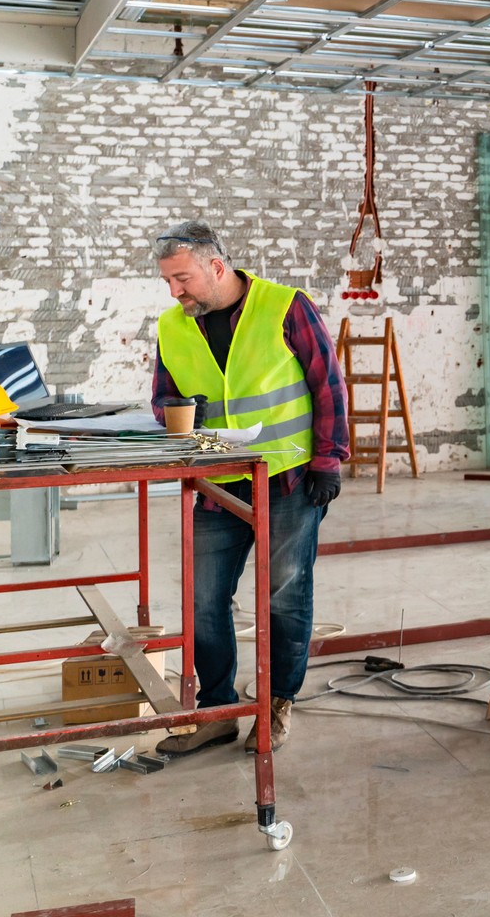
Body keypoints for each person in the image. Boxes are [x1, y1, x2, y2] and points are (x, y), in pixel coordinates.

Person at [149, 222, 348, 755]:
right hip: (215, 484)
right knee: (203, 599)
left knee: (284, 596)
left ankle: (275, 704)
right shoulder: (173, 325)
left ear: (218, 267)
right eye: (168, 281)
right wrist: (177, 425)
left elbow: (327, 383)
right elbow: (164, 397)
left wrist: (330, 459)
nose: (175, 292)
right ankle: (216, 711)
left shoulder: (286, 307)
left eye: (183, 279)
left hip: (288, 479)